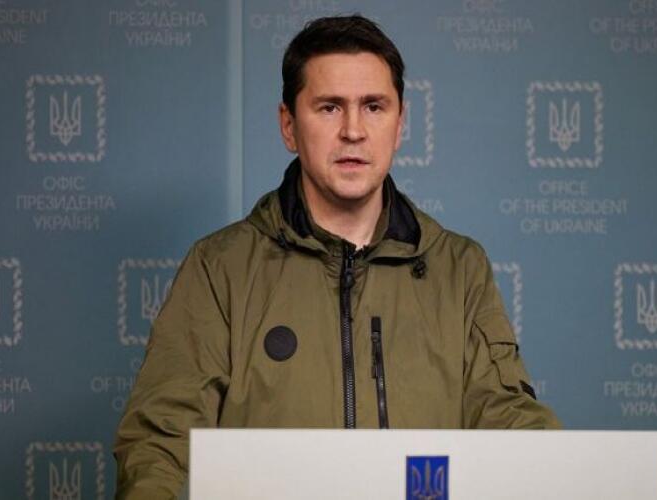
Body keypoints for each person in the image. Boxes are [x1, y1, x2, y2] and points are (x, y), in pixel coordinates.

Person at [114, 14, 560, 499]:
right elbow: (161, 443)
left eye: (374, 106)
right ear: (288, 125)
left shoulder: (460, 268)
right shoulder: (219, 268)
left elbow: (512, 427)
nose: (353, 130)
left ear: (400, 124)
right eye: (329, 108)